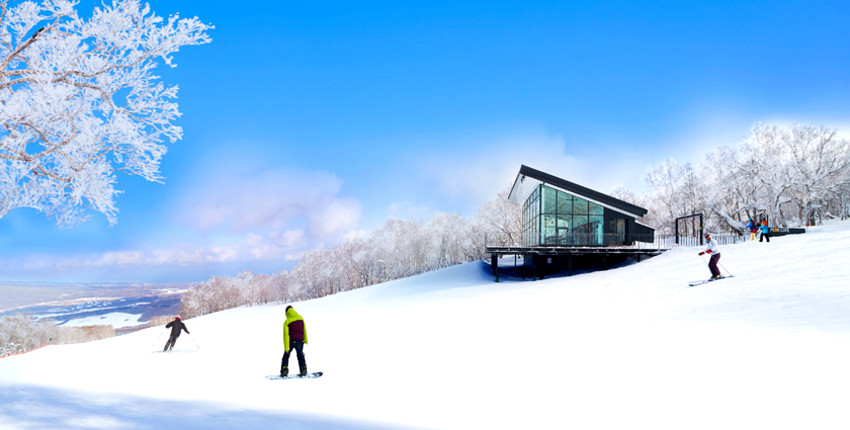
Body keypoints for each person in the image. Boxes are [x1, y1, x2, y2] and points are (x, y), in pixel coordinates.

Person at [281, 305, 308, 377]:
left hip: (291, 342)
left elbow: (286, 336)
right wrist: (305, 340)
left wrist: (286, 348)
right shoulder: (301, 318)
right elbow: (304, 330)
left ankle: (284, 370)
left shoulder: (287, 322)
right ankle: (303, 369)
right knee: (300, 355)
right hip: (300, 341)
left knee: (286, 356)